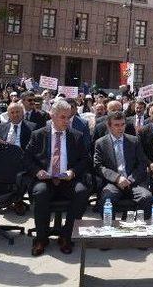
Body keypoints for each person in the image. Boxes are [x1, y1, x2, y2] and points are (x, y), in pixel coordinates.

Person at [25, 100, 91, 256]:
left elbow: (85, 160)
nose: (67, 121)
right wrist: (37, 171)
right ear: (52, 116)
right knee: (40, 193)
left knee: (82, 192)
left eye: (69, 117)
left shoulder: (76, 136)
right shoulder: (38, 134)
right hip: (45, 179)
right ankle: (41, 238)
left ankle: (66, 236)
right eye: (63, 117)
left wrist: (73, 172)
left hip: (68, 180)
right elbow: (26, 158)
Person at [93, 111, 153, 219]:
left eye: (122, 124)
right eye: (116, 125)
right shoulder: (101, 143)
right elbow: (98, 166)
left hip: (133, 182)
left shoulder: (134, 141)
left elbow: (142, 164)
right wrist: (117, 178)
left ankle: (139, 229)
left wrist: (129, 180)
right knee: (107, 199)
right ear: (109, 126)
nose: (120, 128)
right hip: (113, 183)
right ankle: (109, 230)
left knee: (147, 197)